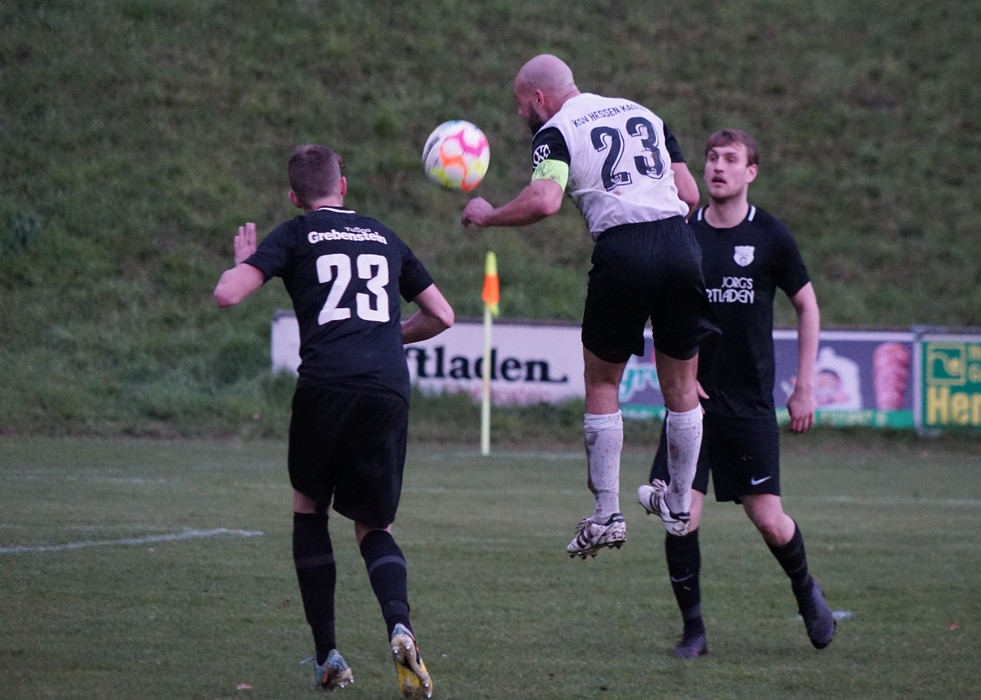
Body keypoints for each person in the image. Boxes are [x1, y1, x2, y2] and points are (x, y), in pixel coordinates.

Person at [213, 144, 454, 696]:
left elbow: (228, 294)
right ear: (342, 186)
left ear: (294, 197)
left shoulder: (295, 234)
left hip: (325, 386)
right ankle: (400, 627)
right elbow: (442, 315)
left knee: (310, 507)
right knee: (375, 526)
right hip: (387, 389)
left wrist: (241, 263)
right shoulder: (384, 235)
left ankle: (329, 658)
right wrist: (382, 336)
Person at [461, 54, 719, 558]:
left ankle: (606, 516)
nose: (520, 113)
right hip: (681, 244)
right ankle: (678, 505)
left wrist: (490, 215)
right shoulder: (644, 113)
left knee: (603, 383)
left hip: (625, 250)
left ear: (539, 97)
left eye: (520, 103)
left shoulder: (555, 131)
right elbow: (689, 194)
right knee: (682, 386)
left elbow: (544, 200)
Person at [638, 129, 835, 658]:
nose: (718, 167)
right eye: (711, 158)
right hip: (692, 403)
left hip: (749, 405)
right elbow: (659, 309)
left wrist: (805, 385)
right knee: (681, 515)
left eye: (731, 159)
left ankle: (806, 591)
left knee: (769, 519)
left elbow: (807, 306)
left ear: (751, 172)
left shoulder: (770, 235)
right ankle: (694, 632)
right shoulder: (684, 233)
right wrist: (676, 372)